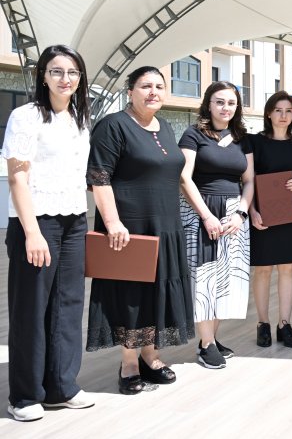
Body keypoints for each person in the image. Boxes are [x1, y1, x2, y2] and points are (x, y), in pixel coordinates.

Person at [85, 66, 195, 395]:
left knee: (157, 291)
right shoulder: (113, 125)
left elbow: (178, 176)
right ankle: (129, 363)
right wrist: (112, 221)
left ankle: (150, 355)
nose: (153, 92)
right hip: (129, 227)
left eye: (159, 86)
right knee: (131, 294)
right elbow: (99, 177)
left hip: (166, 225)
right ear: (130, 90)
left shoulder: (166, 127)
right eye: (146, 86)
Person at [4, 45, 94, 422]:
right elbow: (17, 178)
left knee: (68, 306)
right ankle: (24, 395)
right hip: (36, 221)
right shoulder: (26, 117)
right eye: (56, 71)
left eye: (72, 72)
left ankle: (61, 386)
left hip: (74, 220)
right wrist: (31, 232)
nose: (64, 78)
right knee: (31, 309)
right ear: (43, 76)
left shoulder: (79, 118)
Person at [179, 81, 255, 369]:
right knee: (204, 278)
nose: (226, 107)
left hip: (233, 214)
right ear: (208, 105)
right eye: (220, 102)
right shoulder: (193, 134)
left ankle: (210, 338)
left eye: (231, 103)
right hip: (201, 210)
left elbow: (249, 181)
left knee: (226, 279)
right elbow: (184, 178)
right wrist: (206, 216)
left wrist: (241, 214)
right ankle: (206, 344)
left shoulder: (242, 138)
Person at [249, 91, 292, 348]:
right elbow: (247, 180)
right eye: (278, 110)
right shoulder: (255, 142)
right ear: (269, 113)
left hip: (289, 211)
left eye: (289, 111)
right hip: (263, 212)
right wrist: (252, 211)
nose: (284, 115)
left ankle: (284, 324)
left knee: (288, 268)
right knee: (263, 269)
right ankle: (263, 323)